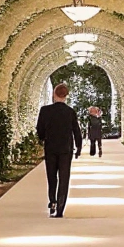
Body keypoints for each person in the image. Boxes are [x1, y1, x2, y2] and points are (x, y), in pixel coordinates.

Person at [36, 83, 82, 218]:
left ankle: (52, 202)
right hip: (66, 149)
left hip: (50, 147)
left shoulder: (45, 111)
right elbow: (76, 131)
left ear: (54, 94)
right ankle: (60, 207)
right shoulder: (70, 112)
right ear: (66, 96)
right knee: (64, 178)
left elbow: (40, 130)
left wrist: (43, 138)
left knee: (52, 177)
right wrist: (78, 147)